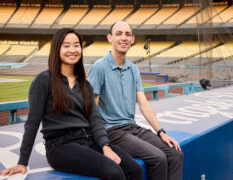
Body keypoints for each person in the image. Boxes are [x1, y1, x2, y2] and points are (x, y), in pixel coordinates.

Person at [0, 28, 142, 180]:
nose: (72, 50)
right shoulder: (44, 80)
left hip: (89, 140)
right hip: (61, 146)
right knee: (114, 172)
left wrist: (105, 147)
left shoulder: (85, 85)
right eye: (66, 45)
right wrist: (23, 162)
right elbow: (32, 123)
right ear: (57, 49)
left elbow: (95, 120)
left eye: (76, 45)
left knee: (134, 169)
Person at [88, 21, 184, 180]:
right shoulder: (99, 67)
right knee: (158, 158)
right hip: (112, 131)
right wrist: (102, 143)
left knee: (175, 155)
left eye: (127, 34)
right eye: (118, 34)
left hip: (131, 127)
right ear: (109, 38)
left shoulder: (133, 69)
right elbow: (92, 108)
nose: (123, 38)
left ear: (132, 39)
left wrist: (161, 132)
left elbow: (144, 104)